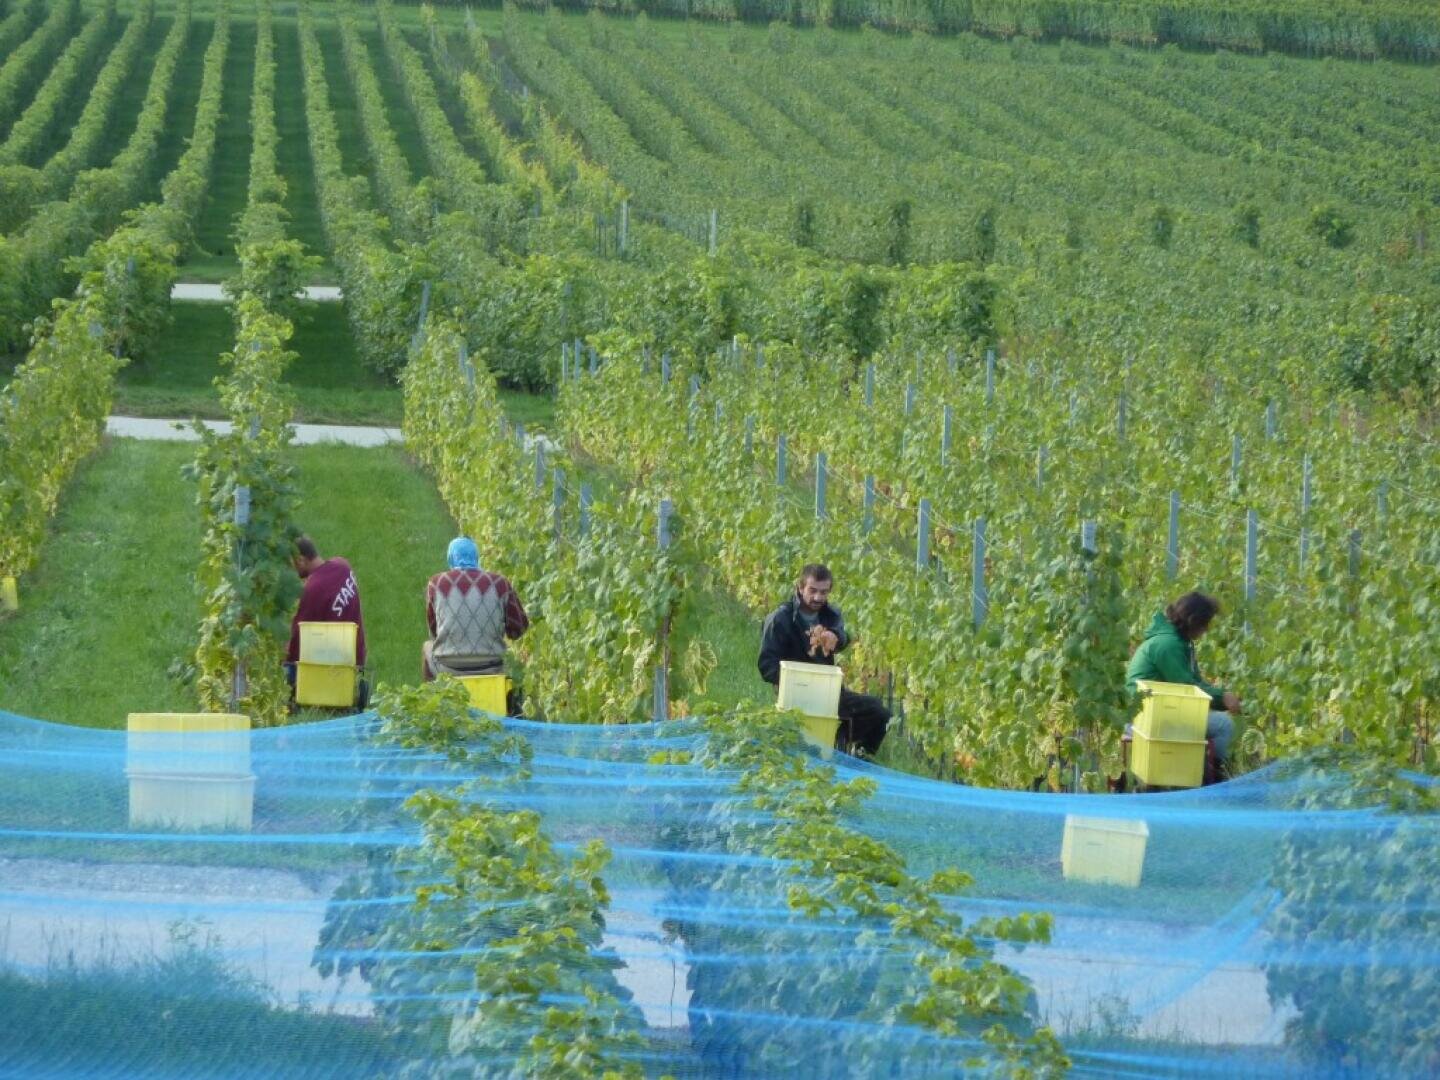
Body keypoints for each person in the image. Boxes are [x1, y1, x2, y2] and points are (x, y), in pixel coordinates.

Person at [757, 563, 890, 756]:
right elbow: (766, 665)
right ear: (800, 588)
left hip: (829, 691)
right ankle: (835, 745)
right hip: (795, 693)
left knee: (880, 713)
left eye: (824, 592)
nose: (818, 597)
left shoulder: (831, 614)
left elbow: (843, 636)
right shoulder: (780, 619)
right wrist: (797, 679)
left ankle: (859, 759)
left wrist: (836, 637)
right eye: (812, 591)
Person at [1125, 591, 1240, 770]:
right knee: (1223, 725)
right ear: (1193, 622)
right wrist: (1222, 697)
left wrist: (1221, 697)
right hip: (1144, 717)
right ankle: (1218, 779)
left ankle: (1205, 771)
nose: (1207, 629)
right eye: (1205, 624)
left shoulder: (1175, 642)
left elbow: (1193, 681)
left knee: (1218, 720)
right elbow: (1187, 687)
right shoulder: (1168, 646)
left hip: (1154, 710)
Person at [422, 536, 529, 682]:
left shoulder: (436, 583)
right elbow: (519, 628)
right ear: (476, 557)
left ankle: (433, 699)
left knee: (427, 647)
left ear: (451, 557)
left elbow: (434, 632)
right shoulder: (500, 583)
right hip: (492, 666)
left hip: (448, 668)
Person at [286, 535, 367, 705]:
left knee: (286, 667)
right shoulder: (343, 566)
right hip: (355, 656)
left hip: (330, 667)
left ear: (301, 560)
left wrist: (282, 658)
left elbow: (296, 642)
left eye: (291, 564)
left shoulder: (312, 590)